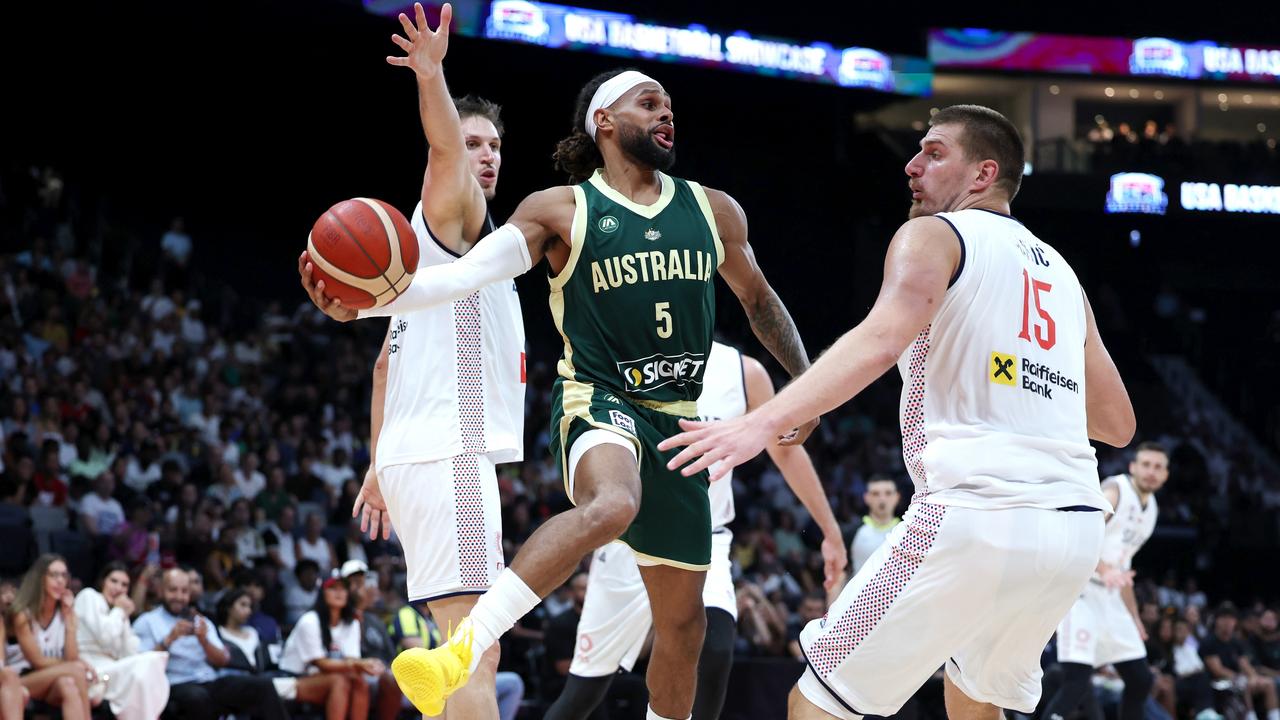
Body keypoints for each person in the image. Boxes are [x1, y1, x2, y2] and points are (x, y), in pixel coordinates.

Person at [302, 59, 815, 718]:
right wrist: (370, 304)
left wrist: (806, 384)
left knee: (685, 633)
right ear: (604, 122)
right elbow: (466, 275)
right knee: (612, 506)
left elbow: (760, 299)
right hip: (597, 399)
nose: (667, 114)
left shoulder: (713, 209)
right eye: (649, 104)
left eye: (669, 106)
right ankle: (459, 652)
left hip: (678, 420)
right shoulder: (561, 210)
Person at [660, 105, 1136, 720]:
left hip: (971, 513)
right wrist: (1028, 383)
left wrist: (759, 422)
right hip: (1071, 530)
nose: (911, 166)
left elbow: (881, 339)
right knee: (975, 697)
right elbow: (1117, 423)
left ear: (983, 174)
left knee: (818, 701)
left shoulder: (935, 234)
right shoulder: (1064, 276)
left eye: (934, 153)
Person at [306, 4, 528, 718]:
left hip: (411, 454)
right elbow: (441, 153)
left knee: (452, 648)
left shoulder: (412, 267)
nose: (484, 155)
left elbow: (382, 370)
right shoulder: (451, 215)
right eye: (473, 143)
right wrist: (431, 78)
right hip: (449, 450)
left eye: (493, 144)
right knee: (473, 648)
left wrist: (378, 463)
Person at [545, 341, 846, 720]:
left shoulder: (743, 371)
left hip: (705, 536)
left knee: (716, 649)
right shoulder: (623, 351)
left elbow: (785, 449)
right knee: (584, 692)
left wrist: (829, 529)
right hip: (629, 543)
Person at [1045, 442, 1170, 720]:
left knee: (1140, 679)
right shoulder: (1115, 491)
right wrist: (1103, 570)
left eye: (1158, 467)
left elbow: (1123, 570)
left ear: (1165, 475)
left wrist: (1135, 616)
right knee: (1076, 681)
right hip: (1080, 593)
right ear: (1133, 467)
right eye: (1146, 465)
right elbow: (1082, 535)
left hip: (1111, 599)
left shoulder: (1151, 511)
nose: (1151, 472)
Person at [133, 568, 286, 720]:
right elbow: (140, 665)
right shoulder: (147, 621)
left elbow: (222, 661)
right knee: (198, 699)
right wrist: (170, 639)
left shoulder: (201, 621)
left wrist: (204, 641)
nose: (179, 596)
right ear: (161, 590)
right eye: (173, 590)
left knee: (263, 686)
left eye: (184, 591)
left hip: (209, 680)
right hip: (173, 684)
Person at [216, 587, 352, 720]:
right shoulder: (217, 633)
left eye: (250, 606)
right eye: (243, 605)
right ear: (228, 607)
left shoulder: (253, 632)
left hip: (264, 678)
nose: (248, 610)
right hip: (235, 682)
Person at [279, 573, 386, 720]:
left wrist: (368, 665)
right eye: (333, 588)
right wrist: (360, 664)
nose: (339, 593)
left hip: (331, 676)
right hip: (295, 678)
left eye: (343, 589)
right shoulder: (309, 621)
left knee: (358, 680)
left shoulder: (351, 623)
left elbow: (351, 660)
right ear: (322, 593)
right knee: (339, 681)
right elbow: (322, 664)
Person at [73, 562, 170, 720]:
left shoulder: (117, 612)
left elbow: (130, 652)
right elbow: (105, 637)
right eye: (113, 581)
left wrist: (124, 618)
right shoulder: (89, 596)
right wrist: (119, 611)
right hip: (92, 669)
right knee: (151, 661)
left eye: (124, 585)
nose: (118, 588)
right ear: (103, 581)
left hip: (114, 668)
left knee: (150, 664)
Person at [4, 554, 93, 720]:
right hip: (20, 680)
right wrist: (71, 664)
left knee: (68, 686)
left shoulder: (66, 613)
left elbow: (72, 657)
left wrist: (69, 622)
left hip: (54, 679)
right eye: (54, 575)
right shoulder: (23, 614)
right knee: (76, 670)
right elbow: (38, 661)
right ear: (40, 578)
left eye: (64, 575)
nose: (60, 581)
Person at [1202, 603, 1279, 720]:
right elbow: (1217, 670)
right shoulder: (1209, 642)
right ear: (1217, 621)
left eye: (1231, 618)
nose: (1227, 622)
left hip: (1239, 678)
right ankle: (1250, 717)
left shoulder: (1236, 642)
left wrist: (1253, 676)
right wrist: (1240, 677)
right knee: (1242, 684)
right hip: (1219, 683)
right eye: (1224, 618)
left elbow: (1244, 663)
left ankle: (1275, 717)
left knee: (1268, 683)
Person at [847, 475, 901, 576]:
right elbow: (841, 571)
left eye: (888, 493)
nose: (882, 499)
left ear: (897, 497)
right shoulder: (852, 533)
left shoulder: (908, 531)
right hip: (860, 590)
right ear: (866, 498)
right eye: (876, 494)